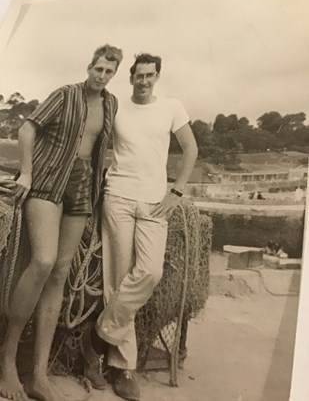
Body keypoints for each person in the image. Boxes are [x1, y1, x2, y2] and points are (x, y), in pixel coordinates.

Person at [0, 44, 123, 401]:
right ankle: (7, 360)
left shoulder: (111, 104)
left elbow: (102, 149)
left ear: (114, 75)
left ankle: (38, 374)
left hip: (83, 186)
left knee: (62, 270)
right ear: (89, 67)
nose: (101, 76)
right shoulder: (65, 95)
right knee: (43, 260)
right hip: (49, 179)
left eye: (109, 72)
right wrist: (26, 172)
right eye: (98, 69)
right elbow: (27, 129)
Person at [80, 53, 198, 401]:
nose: (144, 80)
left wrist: (176, 191)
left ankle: (97, 339)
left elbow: (190, 149)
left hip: (153, 203)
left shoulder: (172, 107)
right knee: (118, 280)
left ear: (157, 76)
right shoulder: (116, 107)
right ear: (130, 77)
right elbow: (96, 144)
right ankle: (123, 367)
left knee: (149, 272)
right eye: (138, 75)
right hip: (117, 197)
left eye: (150, 75)